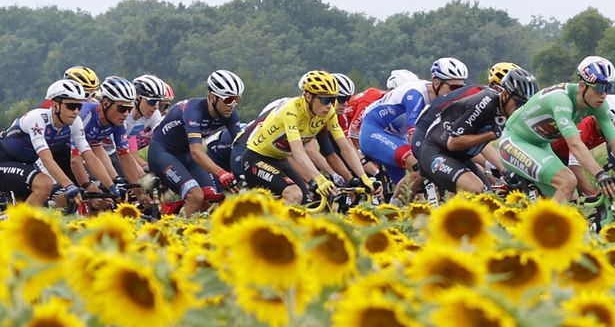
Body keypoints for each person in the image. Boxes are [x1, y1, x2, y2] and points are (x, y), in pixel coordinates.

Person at [498, 56, 615, 203]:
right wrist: (600, 174)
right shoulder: (561, 99)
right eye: (600, 88)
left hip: (541, 145)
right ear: (582, 86)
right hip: (515, 141)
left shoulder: (600, 105)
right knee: (567, 181)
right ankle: (541, 230)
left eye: (608, 88)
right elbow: (574, 144)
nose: (604, 95)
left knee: (572, 198)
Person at [242, 70, 376, 204]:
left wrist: (364, 178)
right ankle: (265, 224)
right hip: (256, 157)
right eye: (325, 99)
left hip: (280, 159)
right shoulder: (291, 111)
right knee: (294, 194)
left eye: (333, 99)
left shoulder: (328, 113)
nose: (330, 105)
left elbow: (345, 148)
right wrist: (319, 178)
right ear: (308, 96)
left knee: (307, 200)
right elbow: (298, 152)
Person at [359, 59, 467, 198]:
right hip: (374, 133)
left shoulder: (443, 99)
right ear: (436, 83)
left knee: (413, 195)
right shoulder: (416, 94)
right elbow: (414, 135)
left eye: (462, 87)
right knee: (422, 167)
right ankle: (395, 209)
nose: (459, 92)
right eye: (454, 88)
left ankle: (396, 216)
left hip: (396, 138)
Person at [418, 67, 538, 193]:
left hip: (460, 158)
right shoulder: (486, 102)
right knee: (476, 188)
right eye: (519, 103)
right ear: (505, 95)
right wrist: (491, 135)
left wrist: (505, 169)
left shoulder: (506, 112)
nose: (521, 109)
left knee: (489, 199)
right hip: (436, 152)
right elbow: (453, 143)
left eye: (525, 105)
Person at [149, 70, 245, 216]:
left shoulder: (229, 115)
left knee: (210, 199)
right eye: (228, 99)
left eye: (237, 100)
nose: (233, 105)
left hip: (185, 154)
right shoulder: (194, 111)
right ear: (212, 97)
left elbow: (240, 145)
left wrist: (242, 172)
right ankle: (176, 233)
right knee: (195, 196)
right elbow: (196, 152)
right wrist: (221, 173)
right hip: (163, 153)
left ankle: (194, 229)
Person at [0, 80, 94, 207]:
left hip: (24, 164)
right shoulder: (37, 119)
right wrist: (69, 185)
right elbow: (46, 159)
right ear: (55, 105)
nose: (76, 111)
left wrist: (111, 185)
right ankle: (19, 224)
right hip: (4, 160)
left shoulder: (75, 122)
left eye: (79, 106)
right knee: (44, 183)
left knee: (54, 199)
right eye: (71, 106)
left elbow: (88, 154)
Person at [75, 77, 148, 202]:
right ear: (106, 103)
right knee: (92, 195)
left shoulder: (118, 123)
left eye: (129, 109)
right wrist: (89, 186)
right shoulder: (85, 117)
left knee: (105, 199)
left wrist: (138, 191)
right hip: (59, 154)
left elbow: (124, 156)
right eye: (122, 108)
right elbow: (75, 160)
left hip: (84, 153)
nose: (126, 114)